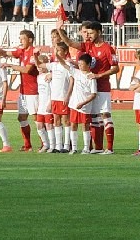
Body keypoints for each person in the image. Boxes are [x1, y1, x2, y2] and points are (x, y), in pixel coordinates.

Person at [56, 20, 119, 154]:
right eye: (87, 33)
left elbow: (116, 68)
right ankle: (98, 148)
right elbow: (70, 43)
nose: (88, 36)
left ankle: (110, 148)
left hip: (102, 87)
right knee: (94, 118)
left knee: (105, 115)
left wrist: (99, 75)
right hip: (90, 88)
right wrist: (59, 30)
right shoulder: (88, 46)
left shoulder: (108, 48)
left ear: (99, 32)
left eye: (91, 33)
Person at [0, 29, 38, 152]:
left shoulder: (34, 52)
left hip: (33, 91)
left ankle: (46, 144)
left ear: (30, 40)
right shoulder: (21, 51)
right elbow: (5, 53)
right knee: (22, 118)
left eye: (23, 39)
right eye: (20, 39)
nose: (21, 41)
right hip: (23, 91)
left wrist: (10, 65)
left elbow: (27, 70)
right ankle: (28, 145)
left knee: (37, 119)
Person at [67, 52, 98, 155]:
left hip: (85, 107)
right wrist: (57, 55)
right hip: (74, 105)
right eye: (79, 64)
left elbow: (93, 94)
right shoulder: (76, 72)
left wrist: (83, 103)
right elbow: (64, 65)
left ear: (88, 65)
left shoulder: (91, 77)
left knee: (85, 126)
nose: (79, 66)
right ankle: (74, 148)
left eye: (81, 64)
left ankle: (86, 148)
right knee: (73, 125)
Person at [47, 41, 73, 154]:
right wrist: (35, 56)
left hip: (63, 97)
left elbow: (71, 81)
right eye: (56, 50)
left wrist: (67, 95)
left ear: (65, 52)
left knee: (66, 120)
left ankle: (66, 145)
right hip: (55, 97)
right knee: (56, 120)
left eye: (58, 50)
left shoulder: (68, 65)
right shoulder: (54, 65)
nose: (56, 52)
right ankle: (58, 145)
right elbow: (39, 65)